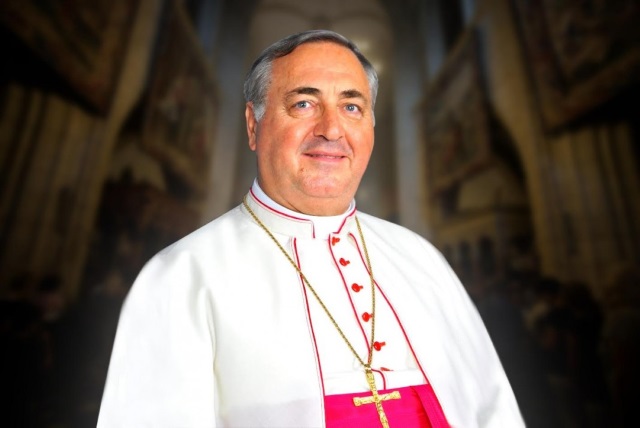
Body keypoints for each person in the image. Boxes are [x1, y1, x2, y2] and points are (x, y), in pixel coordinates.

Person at [98, 29, 523, 427]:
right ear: (253, 125)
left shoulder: (421, 258)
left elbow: (494, 411)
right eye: (303, 103)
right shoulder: (181, 276)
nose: (332, 130)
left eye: (352, 107)